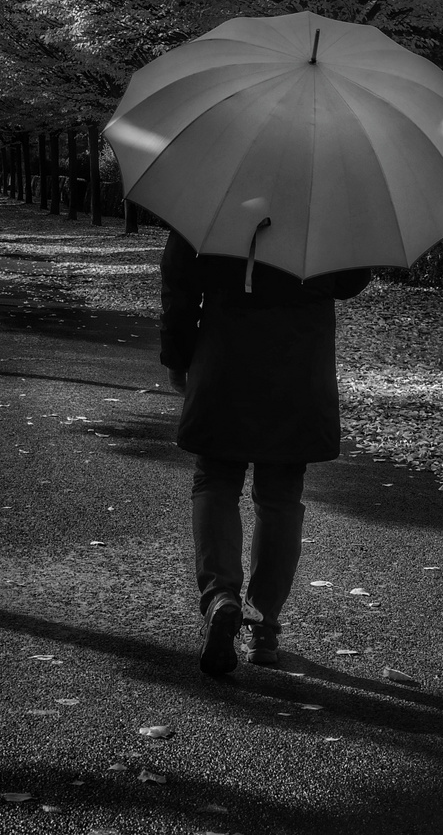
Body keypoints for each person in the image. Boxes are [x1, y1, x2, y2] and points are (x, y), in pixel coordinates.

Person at [159, 230, 371, 674]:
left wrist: (180, 358)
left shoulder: (216, 191)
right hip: (298, 366)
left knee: (215, 480)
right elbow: (350, 281)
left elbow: (179, 282)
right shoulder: (325, 194)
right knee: (279, 498)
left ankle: (220, 596)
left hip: (225, 357)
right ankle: (263, 625)